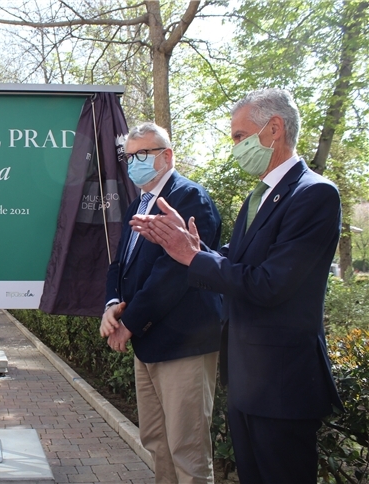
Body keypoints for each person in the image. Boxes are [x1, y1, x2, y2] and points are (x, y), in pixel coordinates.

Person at [131, 88, 343, 483]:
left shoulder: (314, 194)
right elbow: (232, 262)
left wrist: (192, 256)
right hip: (247, 378)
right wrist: (184, 244)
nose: (236, 147)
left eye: (239, 136)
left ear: (274, 129)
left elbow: (269, 284)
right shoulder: (258, 195)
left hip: (283, 384)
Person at [100, 122, 222, 483]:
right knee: (156, 439)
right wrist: (112, 304)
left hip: (183, 342)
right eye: (129, 157)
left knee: (187, 449)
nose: (133, 163)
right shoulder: (139, 202)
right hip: (149, 344)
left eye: (142, 155)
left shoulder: (189, 198)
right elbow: (119, 264)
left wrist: (130, 322)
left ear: (167, 156)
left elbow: (174, 273)